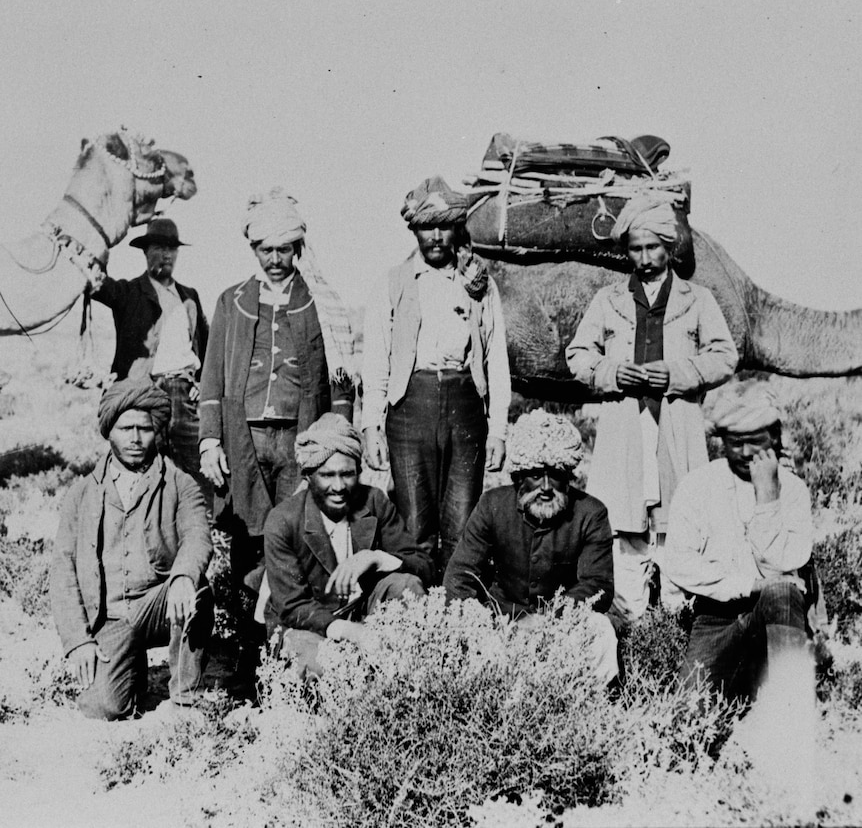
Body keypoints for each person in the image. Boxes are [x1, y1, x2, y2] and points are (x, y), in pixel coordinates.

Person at [566, 196, 738, 623]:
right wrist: (610, 373)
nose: (643, 258)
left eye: (652, 247)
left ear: (669, 246)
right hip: (626, 426)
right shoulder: (609, 300)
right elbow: (578, 354)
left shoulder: (696, 300)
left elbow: (724, 355)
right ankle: (633, 627)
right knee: (626, 532)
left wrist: (678, 374)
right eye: (635, 249)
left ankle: (680, 629)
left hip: (675, 425)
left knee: (679, 522)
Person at [198, 189, 356, 594]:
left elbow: (340, 381)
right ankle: (247, 636)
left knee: (297, 529)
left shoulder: (321, 302)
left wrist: (336, 438)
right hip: (243, 437)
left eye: (283, 249)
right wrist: (210, 441)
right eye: (265, 250)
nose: (274, 259)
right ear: (253, 248)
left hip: (298, 439)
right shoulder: (231, 302)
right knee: (246, 534)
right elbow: (212, 377)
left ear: (297, 247)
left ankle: (290, 627)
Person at [361, 175, 511, 581]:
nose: (437, 236)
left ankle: (456, 612)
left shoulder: (479, 284)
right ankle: (415, 610)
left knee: (462, 520)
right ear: (414, 229)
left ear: (457, 228)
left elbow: (496, 357)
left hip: (465, 406)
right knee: (413, 522)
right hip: (410, 407)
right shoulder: (393, 283)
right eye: (427, 226)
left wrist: (497, 430)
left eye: (445, 225)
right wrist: (371, 426)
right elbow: (376, 360)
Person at [50, 380, 213, 720]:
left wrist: (184, 575)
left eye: (145, 428)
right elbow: (62, 570)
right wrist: (78, 641)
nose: (136, 439)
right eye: (126, 428)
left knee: (194, 588)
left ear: (157, 431)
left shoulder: (180, 483)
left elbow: (197, 534)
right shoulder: (81, 494)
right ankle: (130, 667)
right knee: (105, 707)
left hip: (160, 604)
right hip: (109, 617)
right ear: (109, 431)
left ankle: (185, 698)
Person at [663, 381, 815, 702]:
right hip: (715, 617)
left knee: (781, 593)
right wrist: (748, 584)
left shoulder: (794, 491)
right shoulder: (697, 486)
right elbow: (680, 563)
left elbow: (784, 565)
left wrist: (768, 498)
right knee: (687, 717)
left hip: (777, 614)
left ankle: (791, 714)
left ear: (774, 436)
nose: (746, 453)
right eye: (735, 443)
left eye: (755, 442)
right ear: (722, 442)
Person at [443, 409, 618, 684]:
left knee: (599, 629)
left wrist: (549, 619)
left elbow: (598, 586)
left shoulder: (591, 514)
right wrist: (486, 623)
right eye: (536, 475)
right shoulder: (492, 505)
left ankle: (594, 708)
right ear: (519, 477)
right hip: (499, 624)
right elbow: (459, 577)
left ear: (569, 476)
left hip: (562, 626)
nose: (546, 486)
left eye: (556, 475)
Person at [263, 413, 431, 678]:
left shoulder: (374, 502)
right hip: (310, 627)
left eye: (347, 474)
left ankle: (408, 678)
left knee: (405, 585)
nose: (339, 486)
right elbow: (292, 606)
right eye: (327, 475)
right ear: (308, 476)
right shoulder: (283, 521)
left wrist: (375, 557)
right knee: (330, 665)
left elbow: (423, 566)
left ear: (358, 472)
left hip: (363, 615)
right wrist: (350, 632)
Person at [92, 217, 208, 490]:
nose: (166, 254)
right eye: (158, 247)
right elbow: (95, 284)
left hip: (184, 393)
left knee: (194, 472)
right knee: (141, 471)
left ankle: (200, 530)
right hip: (144, 393)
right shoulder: (128, 292)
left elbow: (209, 345)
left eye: (171, 248)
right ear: (145, 252)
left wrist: (204, 383)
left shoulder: (189, 296)